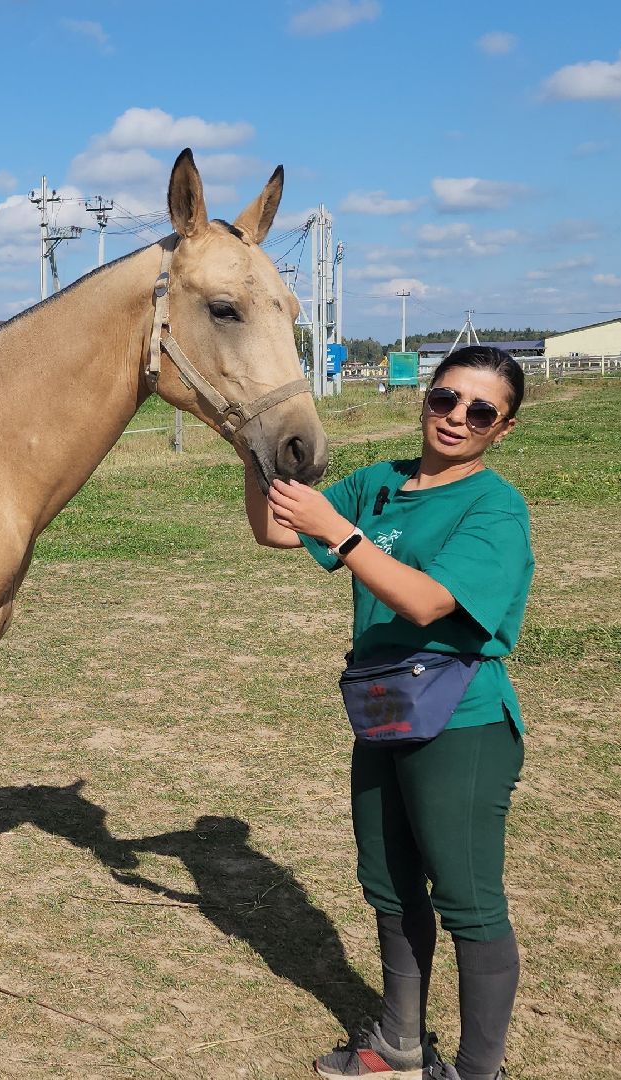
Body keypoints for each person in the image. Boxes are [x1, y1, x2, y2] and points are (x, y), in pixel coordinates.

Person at [244, 345, 534, 1080]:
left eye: (479, 411)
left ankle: (476, 1071)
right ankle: (399, 1042)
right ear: (425, 398)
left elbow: (429, 601)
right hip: (379, 707)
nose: (455, 419)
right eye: (444, 399)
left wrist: (340, 534)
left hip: (459, 719)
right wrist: (254, 454)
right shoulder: (379, 483)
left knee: (466, 901)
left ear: (501, 428)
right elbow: (277, 529)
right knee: (386, 882)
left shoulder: (493, 506)